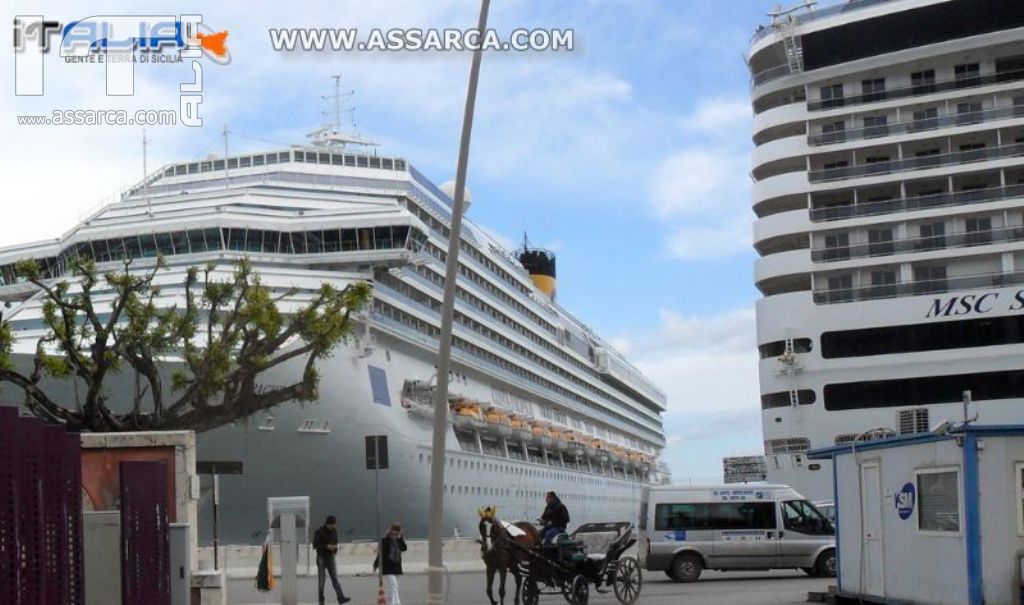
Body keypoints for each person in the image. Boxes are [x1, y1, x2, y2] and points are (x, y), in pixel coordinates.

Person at [313, 515, 351, 605]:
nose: (334, 526)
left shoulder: (334, 531)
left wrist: (334, 549)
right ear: (328, 524)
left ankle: (341, 598)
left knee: (335, 579)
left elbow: (335, 543)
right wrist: (326, 546)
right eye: (333, 525)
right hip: (321, 557)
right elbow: (315, 545)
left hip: (331, 557)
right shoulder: (319, 531)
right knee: (322, 581)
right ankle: (321, 600)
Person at [373, 523, 408, 605]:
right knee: (394, 586)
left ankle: (393, 601)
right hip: (388, 567)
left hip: (396, 566)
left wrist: (400, 539)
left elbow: (404, 548)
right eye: (394, 531)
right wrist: (375, 565)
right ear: (391, 531)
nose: (395, 533)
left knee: (393, 587)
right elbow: (380, 554)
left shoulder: (399, 540)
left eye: (397, 532)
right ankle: (396, 603)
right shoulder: (385, 540)